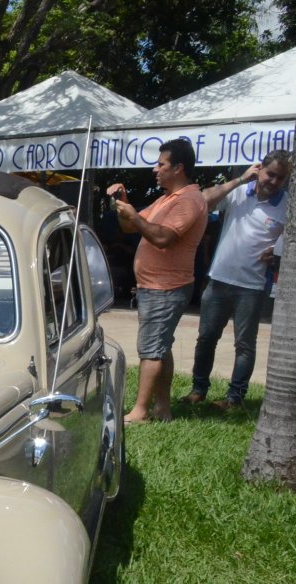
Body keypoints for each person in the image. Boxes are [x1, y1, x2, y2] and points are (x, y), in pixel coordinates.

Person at [107, 138, 208, 424]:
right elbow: (130, 226)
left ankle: (140, 411)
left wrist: (136, 219)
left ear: (179, 167)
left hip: (166, 287)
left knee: (150, 350)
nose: (155, 169)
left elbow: (163, 238)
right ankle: (162, 408)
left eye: (161, 164)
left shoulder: (189, 200)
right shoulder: (167, 199)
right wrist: (124, 203)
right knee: (160, 346)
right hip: (156, 286)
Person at [181, 150, 291, 410]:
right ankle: (198, 390)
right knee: (207, 337)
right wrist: (239, 180)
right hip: (219, 279)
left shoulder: (287, 205)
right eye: (270, 174)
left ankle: (235, 398)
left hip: (252, 287)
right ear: (259, 169)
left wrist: (279, 249)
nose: (273, 181)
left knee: (244, 344)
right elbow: (203, 201)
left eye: (280, 178)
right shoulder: (240, 192)